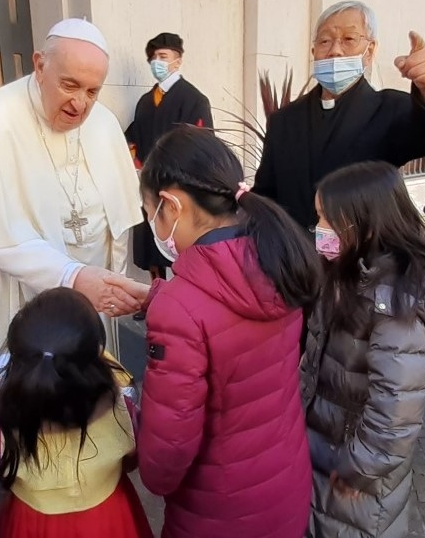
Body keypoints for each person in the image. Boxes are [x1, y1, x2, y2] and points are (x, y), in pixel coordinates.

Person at [112, 126, 320, 537]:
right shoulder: (279, 257)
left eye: (149, 211)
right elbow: (230, 329)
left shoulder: (181, 308)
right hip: (285, 482)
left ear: (171, 205)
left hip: (218, 509)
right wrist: (160, 297)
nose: (152, 223)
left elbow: (165, 457)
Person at [0, 18, 143, 358]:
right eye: (69, 85)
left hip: (92, 301)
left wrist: (109, 284)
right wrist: (72, 276)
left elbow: (116, 228)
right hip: (16, 295)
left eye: (92, 92)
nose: (80, 105)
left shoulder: (103, 124)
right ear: (39, 65)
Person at [300, 161, 425, 537]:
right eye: (318, 218)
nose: (319, 231)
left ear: (366, 224)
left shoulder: (392, 305)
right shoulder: (342, 276)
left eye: (328, 220)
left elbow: (395, 413)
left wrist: (356, 470)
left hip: (354, 479)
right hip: (322, 454)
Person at [253, 0, 425, 229]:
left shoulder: (390, 109)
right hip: (295, 258)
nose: (335, 49)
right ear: (313, 51)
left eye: (349, 39)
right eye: (325, 41)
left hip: (360, 258)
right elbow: (266, 194)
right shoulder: (284, 120)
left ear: (370, 50)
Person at [0, 287, 152, 538]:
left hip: (30, 523)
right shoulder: (121, 411)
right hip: (110, 519)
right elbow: (133, 459)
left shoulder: (3, 427)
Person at [126, 32, 213, 285]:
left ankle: (183, 291)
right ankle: (155, 291)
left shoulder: (194, 100)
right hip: (150, 185)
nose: (157, 62)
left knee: (180, 242)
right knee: (150, 241)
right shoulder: (145, 102)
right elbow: (133, 136)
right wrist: (138, 165)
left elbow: (202, 142)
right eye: (154, 57)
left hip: (178, 185)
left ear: (178, 60)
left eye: (163, 56)